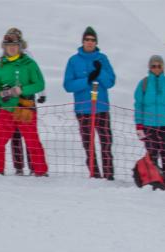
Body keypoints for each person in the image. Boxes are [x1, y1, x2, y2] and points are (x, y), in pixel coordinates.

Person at [0, 29, 48, 176]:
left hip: (25, 108)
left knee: (32, 142)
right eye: (8, 45)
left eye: (15, 45)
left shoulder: (29, 64)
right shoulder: (0, 66)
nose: (12, 47)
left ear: (20, 46)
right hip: (7, 110)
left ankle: (41, 172)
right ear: (4, 47)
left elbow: (40, 84)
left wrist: (21, 89)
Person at [63, 27, 116, 180]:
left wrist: (100, 72)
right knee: (89, 144)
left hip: (101, 107)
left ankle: (108, 175)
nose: (90, 42)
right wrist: (86, 80)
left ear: (96, 42)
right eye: (87, 39)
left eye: (93, 40)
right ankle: (94, 174)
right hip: (83, 109)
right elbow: (68, 85)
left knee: (106, 142)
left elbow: (110, 82)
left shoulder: (102, 59)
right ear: (83, 41)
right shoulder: (73, 60)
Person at [134, 55, 165, 187]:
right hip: (149, 126)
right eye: (153, 66)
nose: (156, 68)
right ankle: (154, 180)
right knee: (152, 155)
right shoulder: (143, 83)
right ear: (150, 68)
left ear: (163, 67)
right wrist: (139, 125)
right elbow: (138, 104)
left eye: (159, 66)